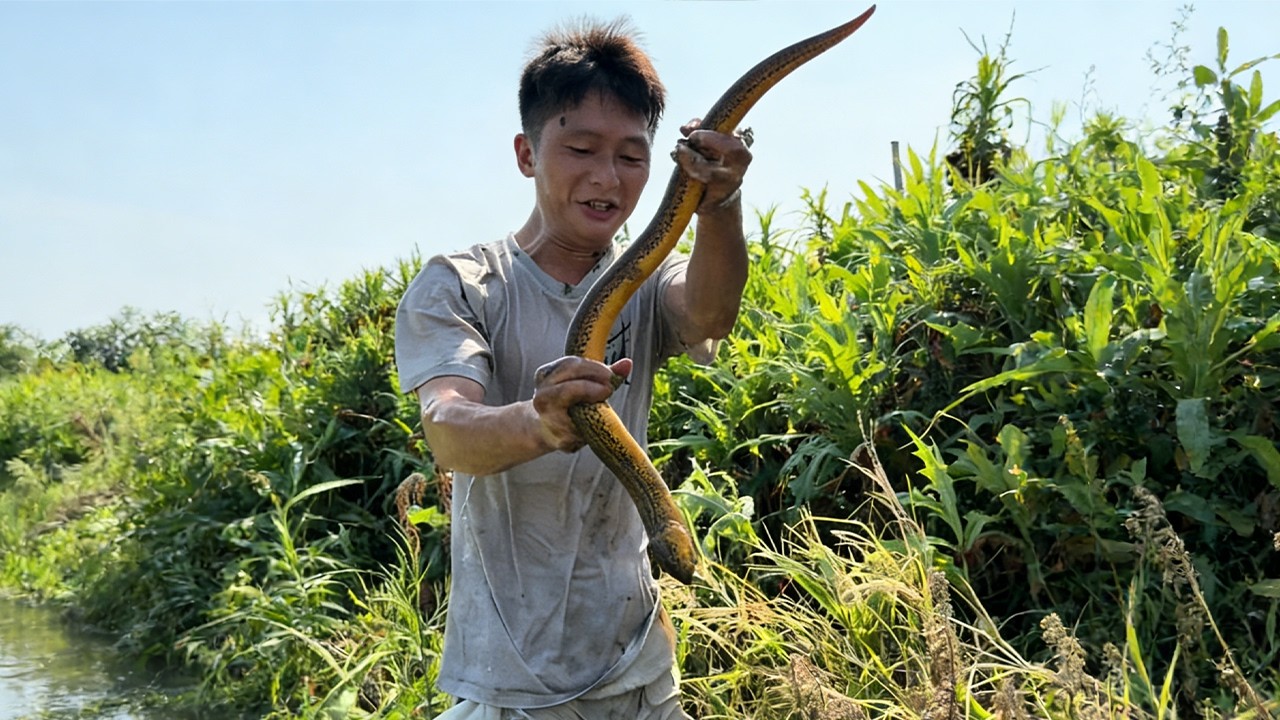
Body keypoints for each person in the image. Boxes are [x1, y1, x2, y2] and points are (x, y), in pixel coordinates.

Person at [394, 16, 752, 720]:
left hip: (641, 671)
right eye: (581, 148)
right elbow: (449, 429)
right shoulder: (463, 284)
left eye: (631, 155)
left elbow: (709, 316)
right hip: (512, 682)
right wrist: (539, 420)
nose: (606, 177)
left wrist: (721, 205)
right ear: (528, 154)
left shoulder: (648, 277)